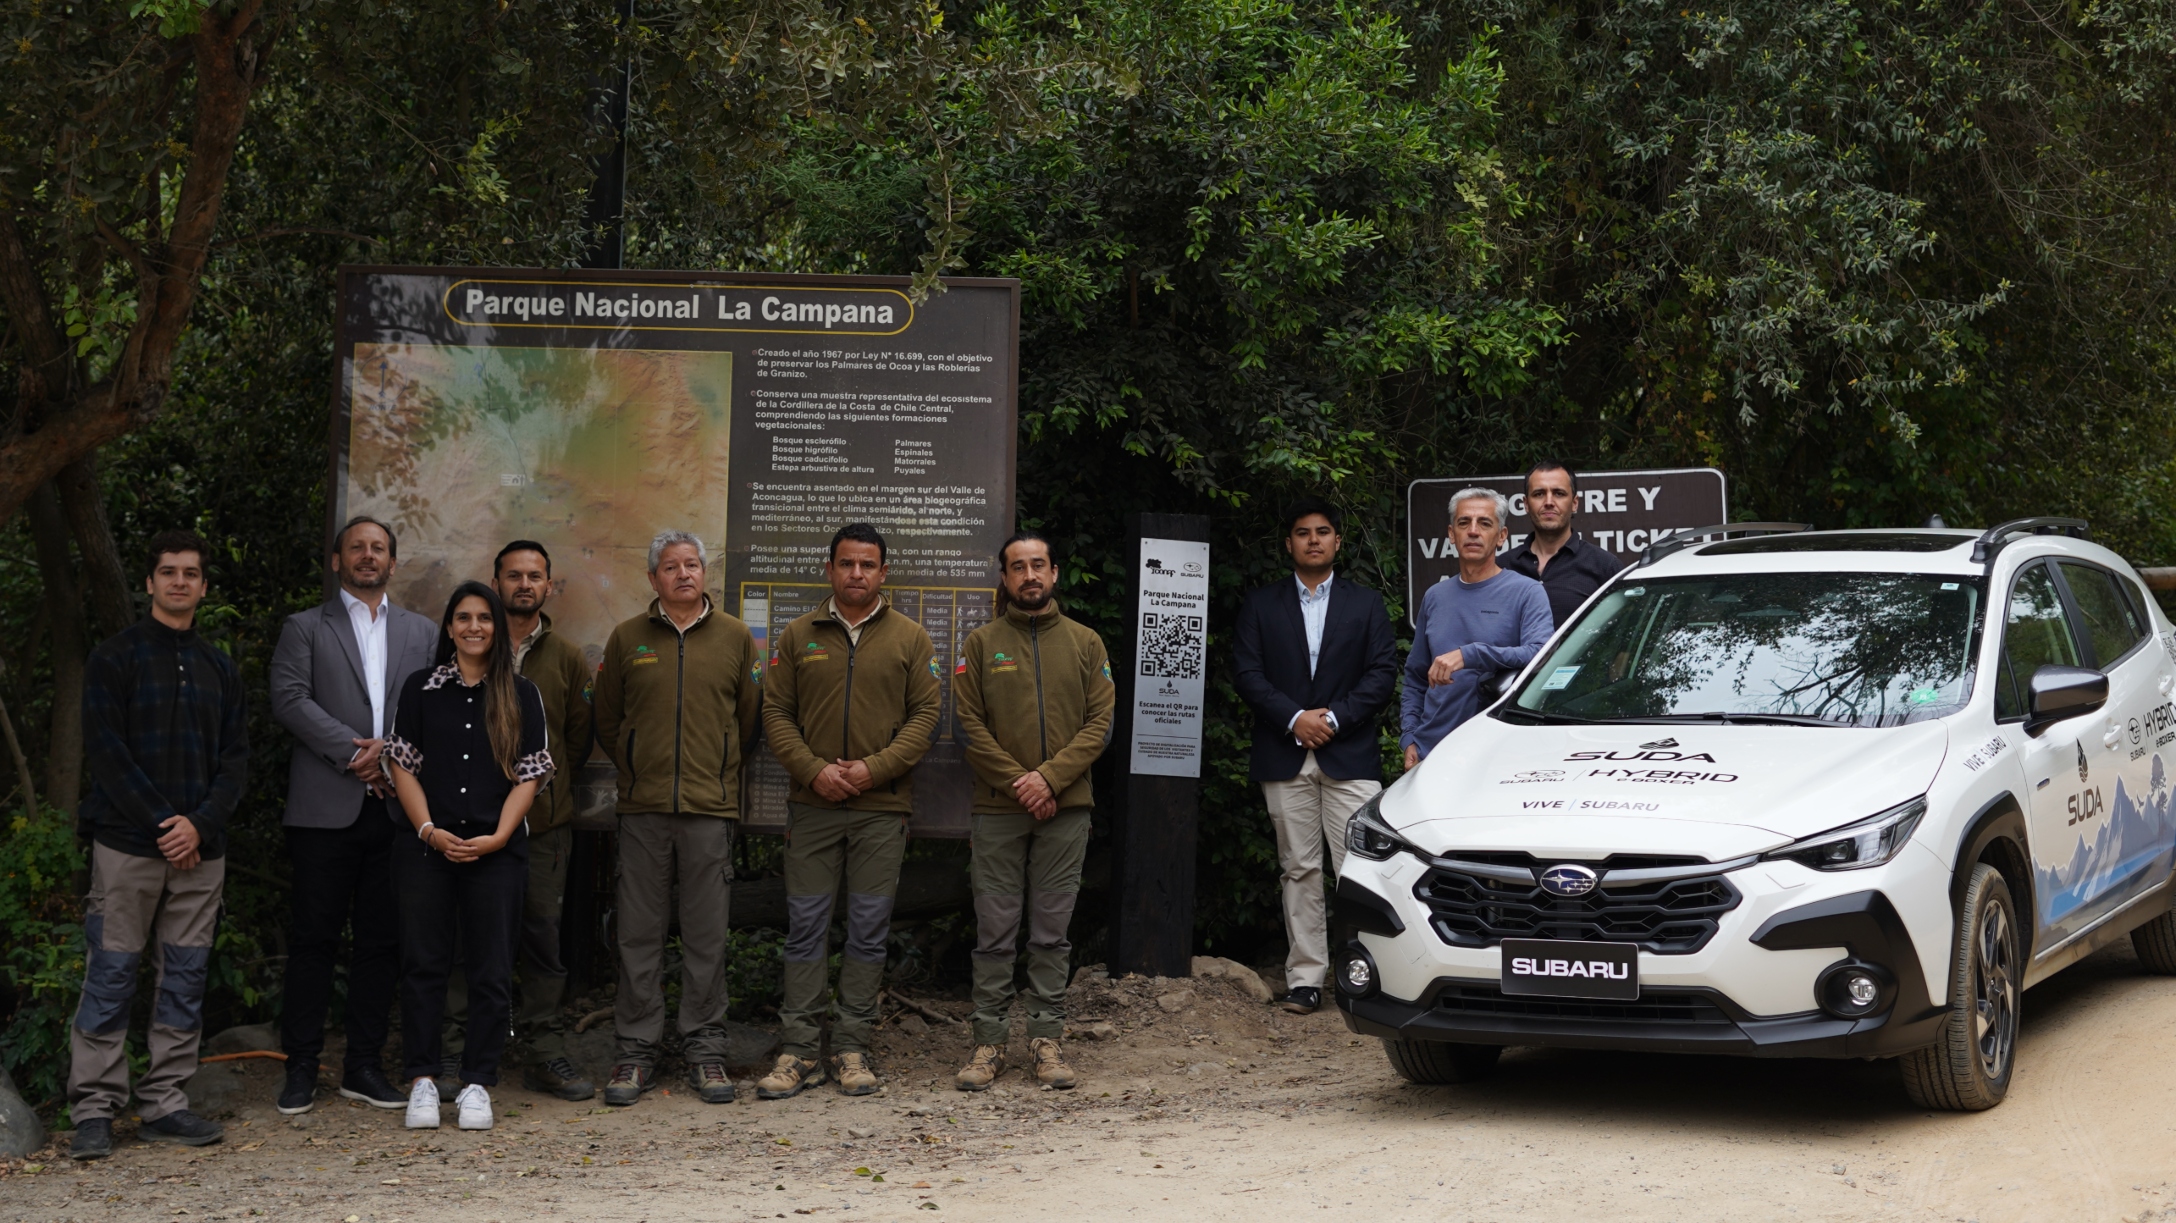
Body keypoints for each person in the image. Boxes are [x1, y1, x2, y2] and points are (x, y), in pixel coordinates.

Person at [66, 531, 250, 1161]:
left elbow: (236, 762)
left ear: (203, 586)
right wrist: (166, 826)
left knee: (184, 979)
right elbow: (108, 755)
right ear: (148, 582)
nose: (179, 582)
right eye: (167, 571)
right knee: (111, 975)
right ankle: (93, 1109)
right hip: (126, 847)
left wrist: (198, 825)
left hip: (203, 852)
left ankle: (166, 1102)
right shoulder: (114, 659)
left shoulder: (220, 667)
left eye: (190, 573)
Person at [757, 523, 940, 1100]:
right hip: (812, 808)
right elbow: (775, 714)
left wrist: (871, 769)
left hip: (880, 810)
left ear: (884, 572)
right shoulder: (796, 635)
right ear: (830, 569)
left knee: (866, 928)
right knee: (807, 928)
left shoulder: (911, 639)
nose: (856, 574)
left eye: (867, 565)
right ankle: (798, 1051)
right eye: (846, 564)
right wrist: (815, 770)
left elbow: (925, 718)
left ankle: (853, 1047)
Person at [268, 515, 438, 1115]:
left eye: (379, 549)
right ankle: (301, 1068)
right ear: (336, 560)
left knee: (380, 944)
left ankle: (363, 1068)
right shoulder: (304, 628)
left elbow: (434, 706)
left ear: (393, 562)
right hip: (324, 811)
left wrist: (389, 754)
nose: (369, 557)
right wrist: (353, 753)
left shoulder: (422, 631)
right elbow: (288, 697)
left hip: (396, 811)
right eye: (357, 548)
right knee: (313, 942)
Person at [591, 531, 762, 1108]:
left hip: (709, 811)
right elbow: (609, 721)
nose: (684, 574)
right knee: (637, 934)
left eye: (692, 564)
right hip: (643, 812)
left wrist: (713, 767)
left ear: (705, 572)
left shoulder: (737, 637)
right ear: (653, 578)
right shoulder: (627, 639)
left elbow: (748, 719)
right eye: (671, 566)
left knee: (707, 935)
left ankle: (705, 1047)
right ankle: (636, 1050)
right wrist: (640, 765)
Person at [384, 582, 552, 1131]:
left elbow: (531, 773)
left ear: (496, 629)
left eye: (484, 618)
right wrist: (429, 830)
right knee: (424, 964)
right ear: (449, 627)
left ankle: (478, 1082)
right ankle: (424, 1081)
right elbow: (402, 765)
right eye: (463, 617)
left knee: (491, 969)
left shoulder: (521, 693)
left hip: (495, 851)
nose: (474, 627)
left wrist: (500, 836)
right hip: (428, 849)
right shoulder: (421, 689)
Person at [950, 531, 1114, 1090]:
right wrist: (1020, 782)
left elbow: (1100, 725)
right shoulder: (980, 643)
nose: (1029, 576)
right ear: (1004, 579)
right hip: (997, 811)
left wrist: (1048, 778)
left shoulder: (1086, 643)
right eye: (1017, 567)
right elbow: (966, 727)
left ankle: (1046, 1041)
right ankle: (989, 1044)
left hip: (1066, 811)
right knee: (995, 932)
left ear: (1055, 573)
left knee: (1050, 933)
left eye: (1037, 565)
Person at [440, 542, 598, 1101]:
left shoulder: (567, 657)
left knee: (541, 941)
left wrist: (539, 799)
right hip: (468, 825)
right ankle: (457, 1051)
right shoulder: (467, 646)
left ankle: (542, 1051)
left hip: (542, 828)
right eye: (514, 575)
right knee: (467, 937)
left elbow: (574, 738)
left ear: (548, 586)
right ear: (496, 581)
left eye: (535, 576)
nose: (524, 584)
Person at [1232, 499, 1400, 1015]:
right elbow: (1248, 674)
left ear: (1337, 543)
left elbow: (1381, 674)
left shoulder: (1366, 604)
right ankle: (1305, 979)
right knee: (1298, 869)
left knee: (1360, 870)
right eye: (1302, 532)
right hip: (1284, 754)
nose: (1312, 540)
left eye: (1322, 532)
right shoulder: (1261, 605)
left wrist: (1331, 719)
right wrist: (1294, 718)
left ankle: (1364, 977)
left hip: (1348, 754)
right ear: (1289, 543)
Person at [1401, 490, 1553, 767]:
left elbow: (1541, 654)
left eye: (1484, 523)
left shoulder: (1527, 592)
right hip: (1433, 749)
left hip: (1500, 750)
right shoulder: (1434, 596)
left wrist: (1469, 654)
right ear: (1451, 533)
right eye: (1463, 523)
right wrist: (1409, 735)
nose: (1473, 531)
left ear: (1502, 535)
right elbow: (1415, 677)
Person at [1503, 460, 1625, 627]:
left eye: (1559, 493)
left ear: (1575, 503)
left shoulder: (1605, 567)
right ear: (1526, 504)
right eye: (1539, 494)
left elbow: (1626, 637)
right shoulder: (1502, 567)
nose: (1549, 502)